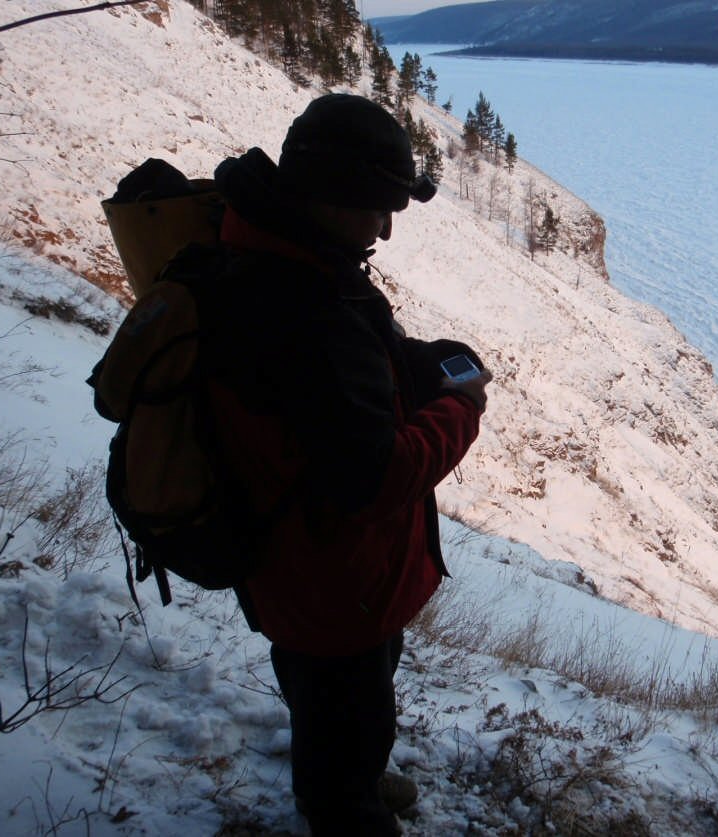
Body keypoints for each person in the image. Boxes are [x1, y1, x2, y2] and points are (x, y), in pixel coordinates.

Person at [207, 94, 491, 835]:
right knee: (350, 706)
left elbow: (332, 392)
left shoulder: (277, 252)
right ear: (333, 197)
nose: (387, 228)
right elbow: (373, 476)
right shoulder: (309, 308)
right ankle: (344, 805)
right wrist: (463, 409)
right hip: (333, 581)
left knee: (327, 704)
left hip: (293, 561)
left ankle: (341, 776)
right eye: (379, 207)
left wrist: (414, 363)